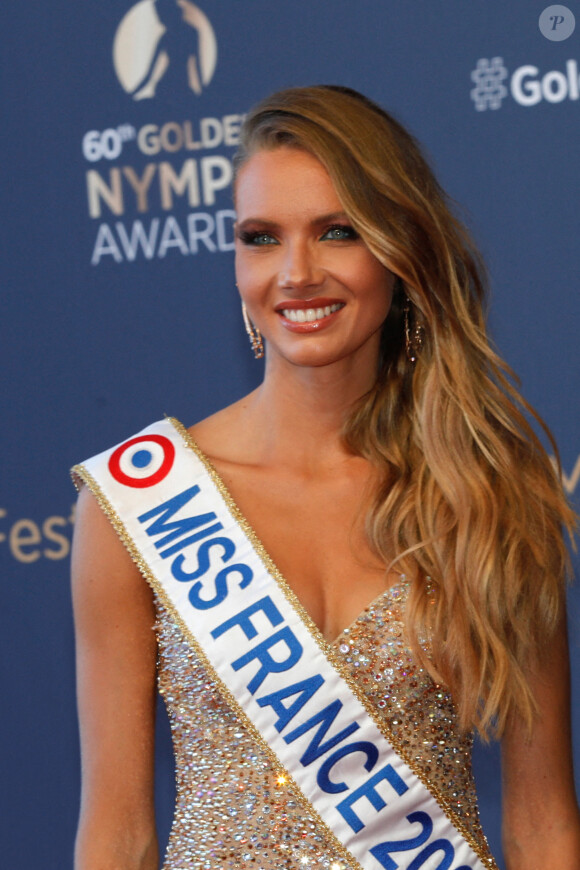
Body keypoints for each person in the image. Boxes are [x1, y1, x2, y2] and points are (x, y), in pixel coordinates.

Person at [71, 85, 580, 870]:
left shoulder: (486, 494)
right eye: (261, 237)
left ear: (400, 250)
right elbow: (119, 831)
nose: (297, 273)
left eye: (337, 232)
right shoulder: (137, 503)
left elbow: (544, 823)